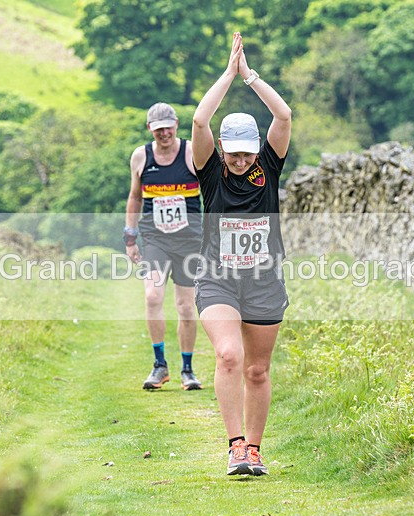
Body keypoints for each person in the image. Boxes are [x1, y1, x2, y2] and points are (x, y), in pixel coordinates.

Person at [191, 32, 291, 476]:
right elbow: (199, 122)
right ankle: (234, 447)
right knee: (229, 355)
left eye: (247, 153)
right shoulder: (211, 173)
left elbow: (283, 115)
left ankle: (254, 449)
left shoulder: (269, 166)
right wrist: (228, 75)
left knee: (256, 370)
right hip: (218, 280)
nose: (240, 160)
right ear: (222, 149)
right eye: (233, 153)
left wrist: (250, 76)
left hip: (264, 282)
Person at [125, 102, 204, 391]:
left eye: (168, 128)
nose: (164, 134)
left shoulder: (192, 152)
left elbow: (212, 190)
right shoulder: (141, 156)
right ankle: (160, 365)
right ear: (150, 129)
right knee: (152, 297)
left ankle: (187, 369)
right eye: (158, 129)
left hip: (189, 240)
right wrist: (130, 237)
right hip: (155, 239)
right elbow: (135, 197)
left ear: (176, 124)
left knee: (185, 306)